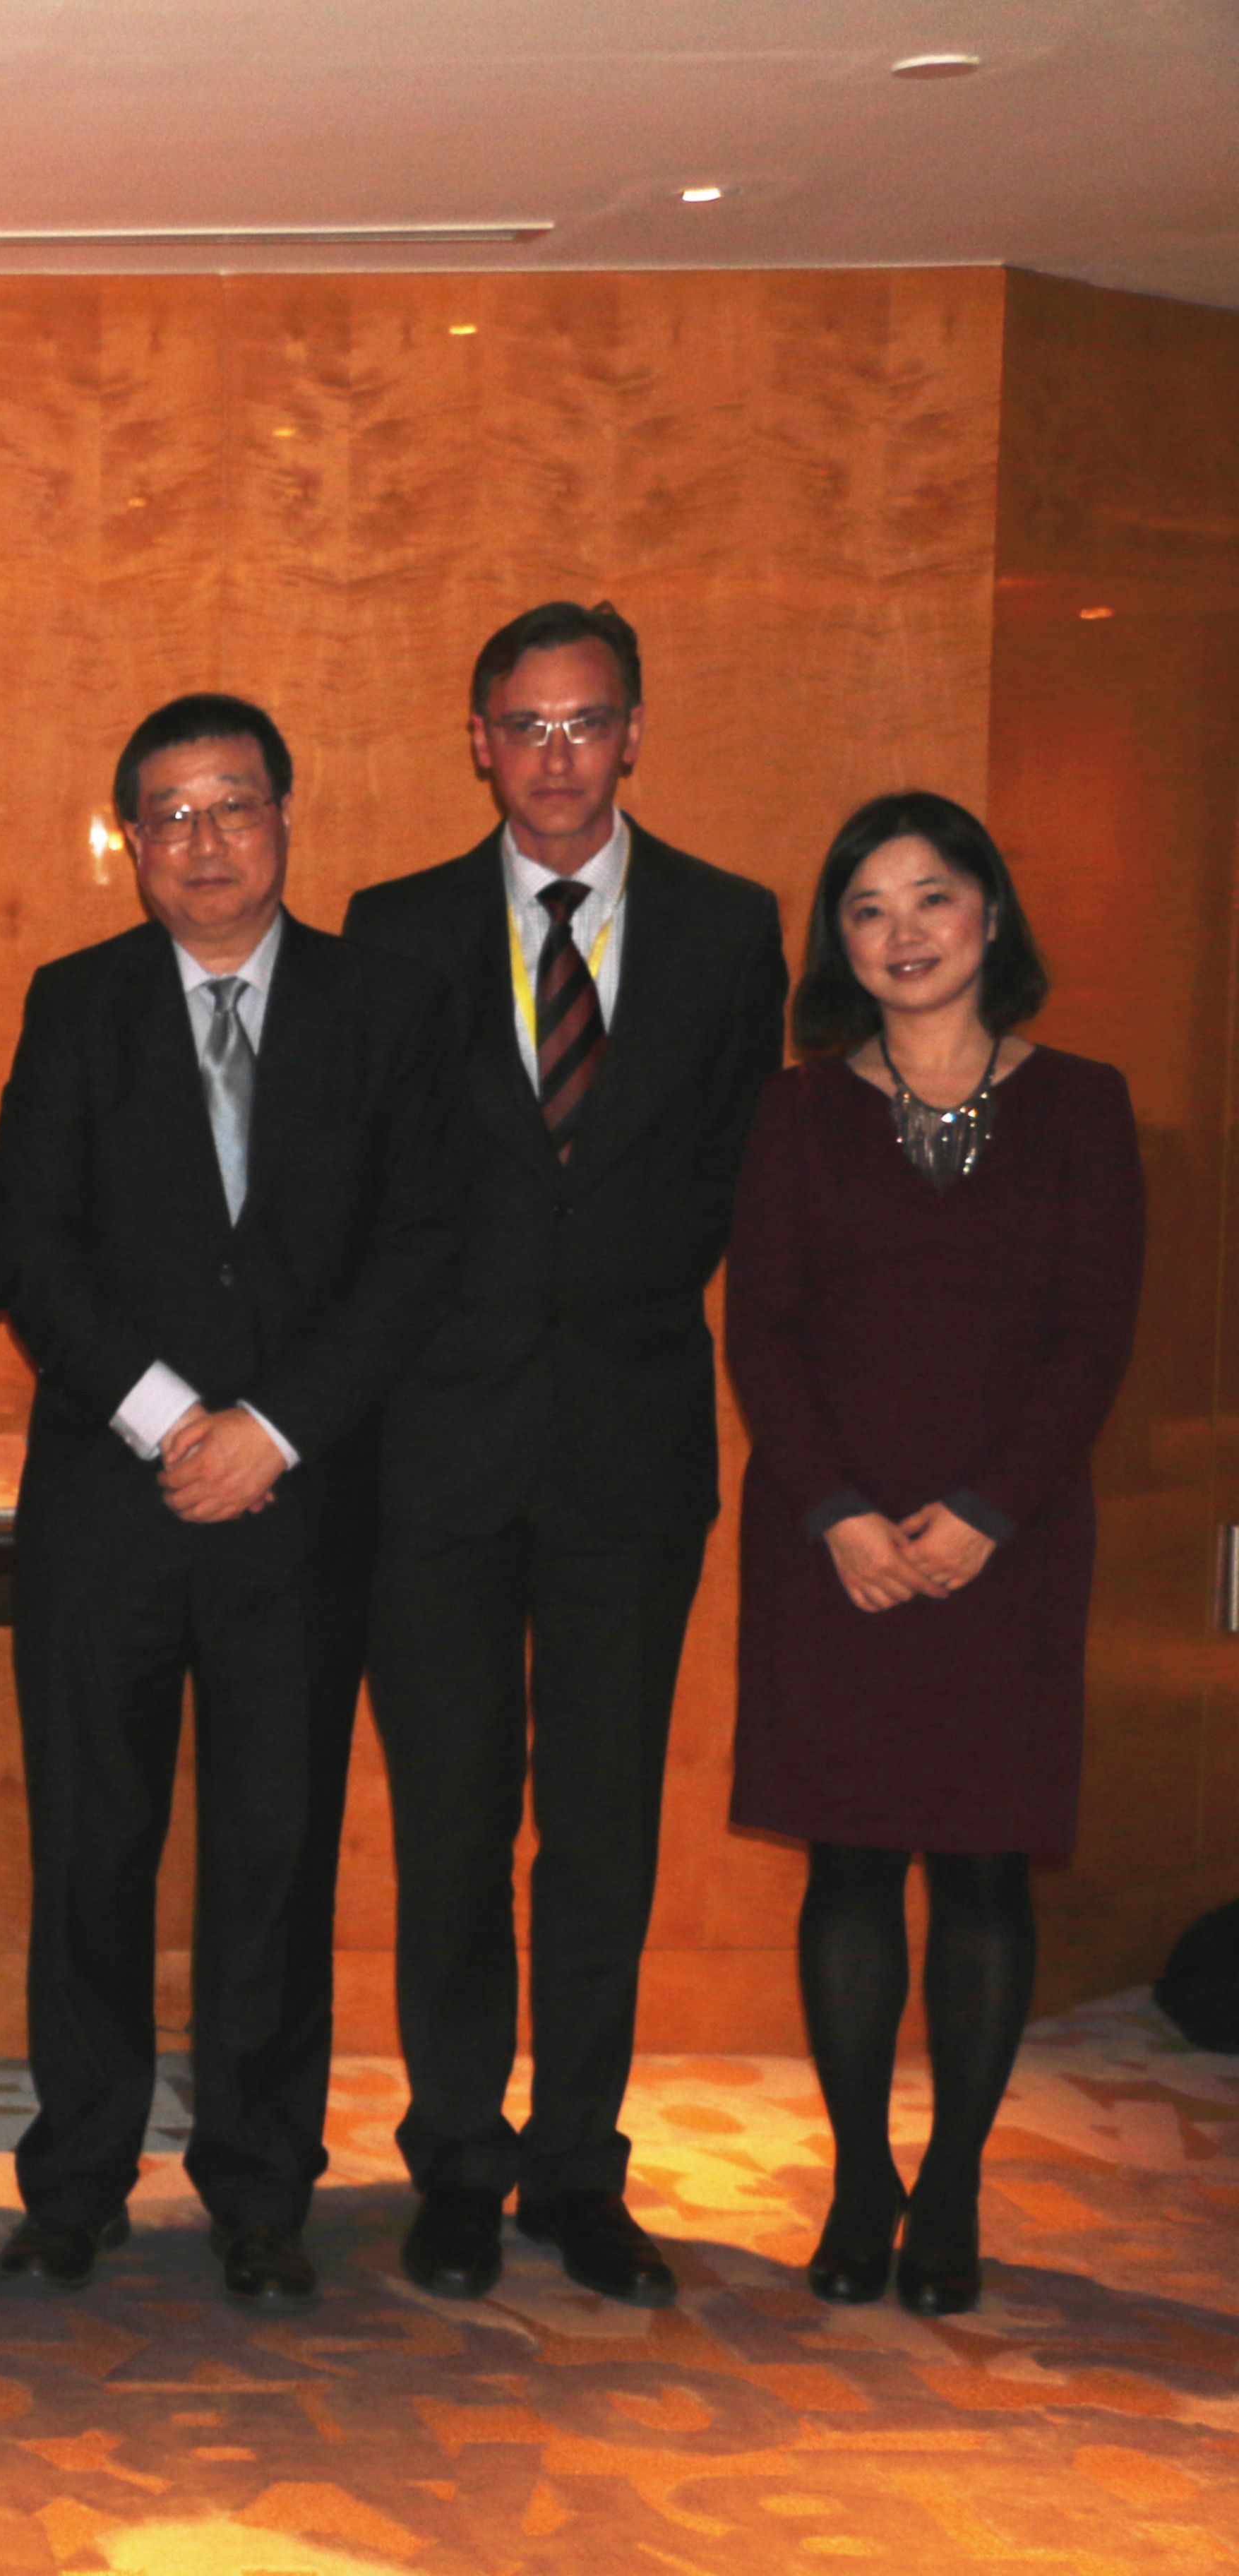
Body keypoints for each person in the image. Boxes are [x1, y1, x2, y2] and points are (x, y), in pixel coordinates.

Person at [0, 692, 453, 2307]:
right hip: (109, 1506)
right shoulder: (77, 1003)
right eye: (169, 815)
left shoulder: (386, 1005)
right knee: (91, 1855)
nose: (204, 842)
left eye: (233, 806)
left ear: (285, 819)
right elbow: (28, 1242)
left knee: (275, 1857)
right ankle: (77, 2181)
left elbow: (420, 1247)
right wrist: (175, 1418)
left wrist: (277, 1429)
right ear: (132, 843)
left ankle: (261, 2189)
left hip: (299, 1511)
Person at [342, 601, 787, 2307]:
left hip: (629, 1447)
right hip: (437, 1454)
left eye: (583, 722)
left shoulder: (730, 928)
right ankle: (459, 2159)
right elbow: (374, 1188)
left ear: (633, 734)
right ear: (477, 742)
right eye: (522, 725)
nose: (553, 755)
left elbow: (740, 1173)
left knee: (602, 1832)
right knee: (454, 1826)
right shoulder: (395, 930)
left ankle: (579, 2168)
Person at [725, 792, 1139, 2317]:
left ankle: (952, 2182)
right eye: (868, 909)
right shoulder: (796, 1113)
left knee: (981, 1870)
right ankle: (860, 2181)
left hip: (1008, 1548)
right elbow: (762, 1333)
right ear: (838, 942)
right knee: (849, 1864)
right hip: (831, 1547)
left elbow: (1094, 1336)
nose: (903, 933)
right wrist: (838, 1512)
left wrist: (986, 1513)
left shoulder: (1084, 1105)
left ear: (990, 915)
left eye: (933, 898)